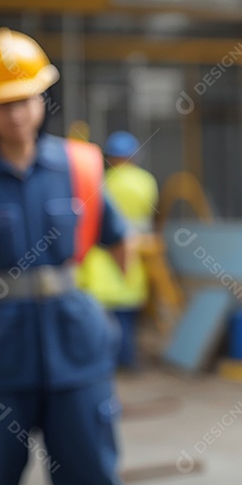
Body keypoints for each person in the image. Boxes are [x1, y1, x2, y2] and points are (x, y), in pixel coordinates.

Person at [0, 28, 133, 485]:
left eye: (25, 99)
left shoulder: (83, 167)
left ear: (43, 98)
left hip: (77, 354)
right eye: (2, 103)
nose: (16, 113)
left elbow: (118, 236)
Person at [79, 130, 159, 370]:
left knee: (103, 317)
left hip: (102, 255)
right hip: (134, 249)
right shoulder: (147, 181)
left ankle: (106, 361)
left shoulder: (103, 181)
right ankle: (128, 360)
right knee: (127, 315)